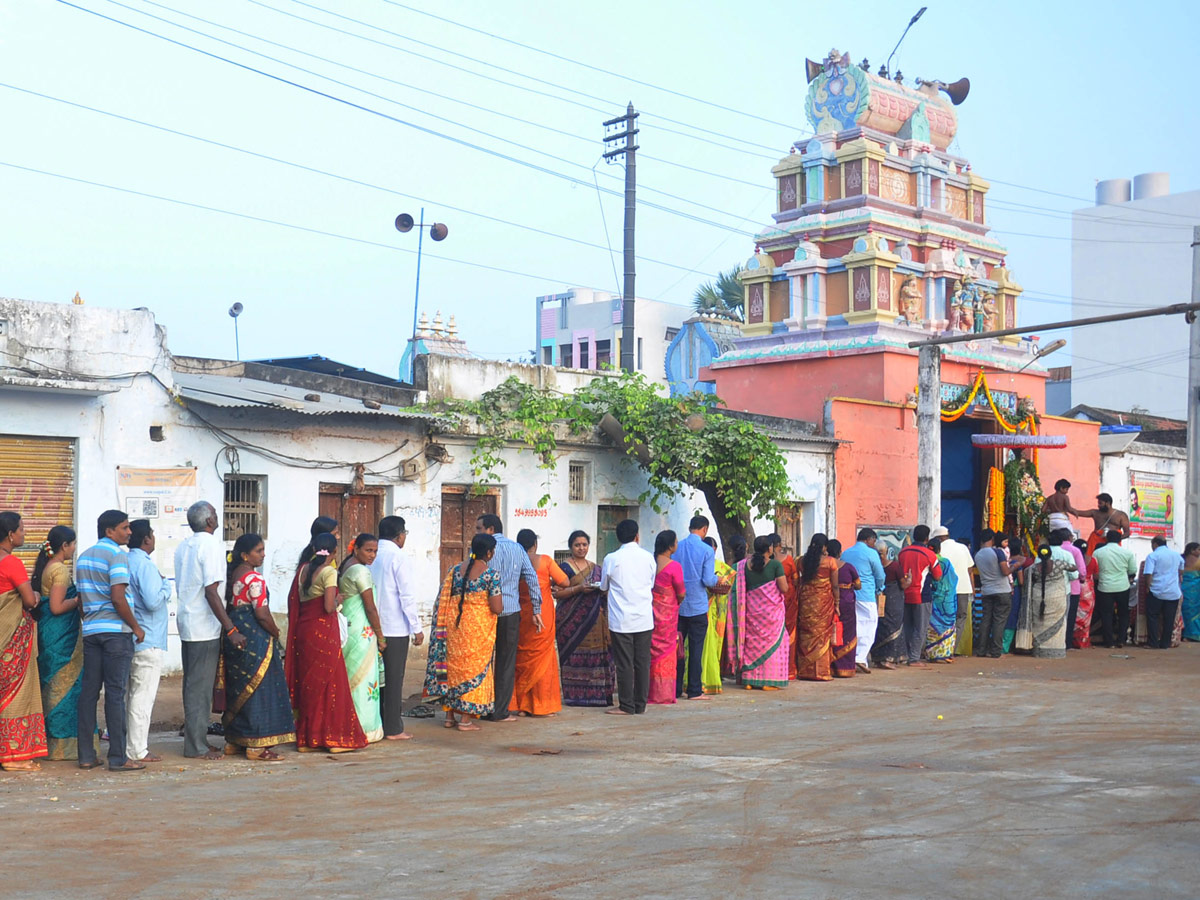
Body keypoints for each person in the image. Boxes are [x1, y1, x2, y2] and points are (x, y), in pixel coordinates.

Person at [175, 501, 245, 761]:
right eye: (215, 513)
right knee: (199, 688)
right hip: (203, 625)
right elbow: (211, 590)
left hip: (189, 621)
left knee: (195, 685)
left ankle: (199, 740)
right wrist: (231, 628)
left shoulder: (185, 545)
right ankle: (196, 746)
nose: (218, 517)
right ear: (209, 522)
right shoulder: (211, 545)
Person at [287, 532, 368, 752]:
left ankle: (307, 739)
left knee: (310, 683)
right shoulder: (329, 572)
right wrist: (339, 599)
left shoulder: (302, 570)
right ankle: (334, 738)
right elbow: (329, 607)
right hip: (323, 629)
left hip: (305, 630)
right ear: (332, 553)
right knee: (332, 683)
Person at [77, 509, 143, 772]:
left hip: (92, 631)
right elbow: (118, 597)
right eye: (125, 528)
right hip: (116, 632)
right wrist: (136, 627)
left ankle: (86, 755)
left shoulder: (83, 557)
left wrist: (91, 621)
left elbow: (82, 599)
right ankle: (118, 757)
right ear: (109, 531)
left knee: (89, 693)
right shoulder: (117, 555)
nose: (129, 532)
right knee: (116, 694)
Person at [222, 533, 294, 759]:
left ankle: (235, 740)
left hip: (237, 636)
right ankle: (256, 745)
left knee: (239, 687)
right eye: (259, 551)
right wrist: (276, 632)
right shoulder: (255, 579)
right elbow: (261, 613)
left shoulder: (233, 576)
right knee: (261, 689)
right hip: (256, 639)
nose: (263, 555)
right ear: (245, 555)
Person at [424, 534, 503, 730]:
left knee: (453, 671)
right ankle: (465, 720)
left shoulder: (454, 571)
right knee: (472, 670)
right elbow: (497, 608)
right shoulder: (491, 575)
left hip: (454, 627)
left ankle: (449, 717)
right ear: (489, 552)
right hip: (477, 630)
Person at [474, 514, 541, 723]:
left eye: (479, 528)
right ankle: (500, 710)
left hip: (485, 612)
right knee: (505, 661)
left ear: (490, 529)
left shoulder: (482, 549)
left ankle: (479, 706)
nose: (476, 533)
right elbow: (531, 577)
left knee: (482, 660)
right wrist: (537, 608)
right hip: (510, 611)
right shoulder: (517, 549)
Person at [31, 525, 84, 760]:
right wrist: (77, 600)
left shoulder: (48, 567)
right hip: (62, 636)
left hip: (51, 633)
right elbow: (56, 606)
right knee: (63, 686)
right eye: (73, 544)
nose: (74, 549)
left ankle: (51, 742)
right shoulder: (60, 571)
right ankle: (61, 745)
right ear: (65, 546)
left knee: (52, 684)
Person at [0, 511, 47, 772]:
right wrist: (37, 594)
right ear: (10, 534)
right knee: (13, 692)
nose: (24, 534)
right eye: (21, 529)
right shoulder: (11, 563)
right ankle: (12, 756)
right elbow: (28, 601)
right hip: (10, 640)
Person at [369, 516, 423, 741]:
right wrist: (417, 628)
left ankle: (377, 722)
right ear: (400, 535)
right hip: (394, 627)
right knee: (393, 678)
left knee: (375, 677)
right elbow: (406, 596)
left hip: (371, 626)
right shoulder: (398, 557)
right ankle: (393, 727)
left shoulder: (370, 553)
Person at [124, 519, 172, 764]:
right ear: (146, 539)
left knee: (131, 696)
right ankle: (137, 749)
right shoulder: (145, 565)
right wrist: (166, 587)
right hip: (149, 637)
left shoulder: (126, 561)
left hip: (132, 637)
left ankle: (129, 746)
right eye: (152, 533)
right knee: (142, 698)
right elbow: (153, 601)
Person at [599, 519, 656, 715]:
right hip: (643, 617)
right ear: (637, 536)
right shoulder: (648, 557)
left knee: (624, 663)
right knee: (642, 663)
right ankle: (640, 705)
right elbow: (651, 583)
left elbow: (603, 586)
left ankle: (626, 705)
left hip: (621, 619)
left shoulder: (611, 559)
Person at [554, 530, 615, 707]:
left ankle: (597, 695)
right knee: (572, 655)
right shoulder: (563, 568)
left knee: (595, 655)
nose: (581, 548)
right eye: (577, 545)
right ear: (571, 547)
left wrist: (601, 589)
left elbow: (605, 590)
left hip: (595, 620)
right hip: (569, 622)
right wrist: (579, 589)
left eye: (584, 545)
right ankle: (575, 696)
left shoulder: (596, 568)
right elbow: (557, 593)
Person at [512, 529, 569, 716]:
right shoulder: (545, 561)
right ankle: (541, 705)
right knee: (543, 658)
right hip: (541, 616)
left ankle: (522, 705)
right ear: (535, 544)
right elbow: (565, 582)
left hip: (521, 615)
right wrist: (548, 584)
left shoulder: (515, 563)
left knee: (523, 657)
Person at [726, 535, 790, 689]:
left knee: (753, 642)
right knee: (777, 643)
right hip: (771, 614)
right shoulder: (775, 565)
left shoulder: (742, 566)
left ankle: (749, 679)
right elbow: (784, 588)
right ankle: (767, 681)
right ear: (770, 548)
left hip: (751, 611)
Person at [338, 534, 385, 742]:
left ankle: (348, 722)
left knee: (350, 677)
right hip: (361, 630)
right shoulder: (360, 571)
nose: (372, 555)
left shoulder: (347, 565)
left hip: (348, 628)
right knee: (365, 679)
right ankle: (364, 728)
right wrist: (381, 636)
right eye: (368, 550)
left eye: (375, 551)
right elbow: (370, 607)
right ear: (355, 548)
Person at [671, 515, 720, 701]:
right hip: (698, 606)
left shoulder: (677, 547)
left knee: (677, 649)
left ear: (690, 527)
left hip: (679, 605)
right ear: (705, 530)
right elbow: (708, 580)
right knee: (696, 649)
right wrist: (718, 580)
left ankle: (675, 689)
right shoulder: (707, 550)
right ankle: (694, 690)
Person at [1023, 536, 1078, 659]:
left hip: (1038, 598)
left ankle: (1039, 650)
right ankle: (1056, 650)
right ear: (1050, 554)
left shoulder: (1034, 568)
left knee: (1038, 623)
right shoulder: (1058, 564)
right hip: (1057, 598)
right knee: (1059, 623)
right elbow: (1074, 568)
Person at [648, 530, 685, 704]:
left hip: (649, 612)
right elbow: (681, 592)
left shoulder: (650, 563)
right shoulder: (674, 566)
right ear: (671, 546)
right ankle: (663, 693)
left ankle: (647, 692)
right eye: (676, 542)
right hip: (668, 616)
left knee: (649, 650)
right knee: (667, 651)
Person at [842, 529, 886, 675]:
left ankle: (852, 657)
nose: (874, 544)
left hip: (848, 594)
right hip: (866, 594)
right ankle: (860, 657)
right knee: (869, 625)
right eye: (874, 541)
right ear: (869, 539)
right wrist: (880, 588)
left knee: (853, 626)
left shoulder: (846, 552)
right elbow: (880, 574)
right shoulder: (871, 553)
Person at [795, 534, 838, 682]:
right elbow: (835, 586)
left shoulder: (801, 561)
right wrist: (837, 604)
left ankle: (804, 670)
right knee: (821, 635)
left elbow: (796, 580)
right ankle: (821, 671)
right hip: (823, 602)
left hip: (805, 601)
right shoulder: (830, 562)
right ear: (825, 547)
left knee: (806, 633)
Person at [898, 525, 942, 668]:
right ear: (926, 538)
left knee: (907, 626)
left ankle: (906, 654)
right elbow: (937, 576)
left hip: (904, 593)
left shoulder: (903, 552)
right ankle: (914, 658)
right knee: (920, 627)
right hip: (921, 595)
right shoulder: (929, 554)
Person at [974, 533, 1022, 659]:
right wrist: (1015, 566)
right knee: (999, 621)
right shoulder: (997, 552)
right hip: (1002, 590)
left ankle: (981, 650)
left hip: (986, 591)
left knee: (985, 620)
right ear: (992, 539)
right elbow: (1005, 571)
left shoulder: (978, 554)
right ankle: (996, 651)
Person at [931, 526, 975, 657]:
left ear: (938, 538)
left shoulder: (939, 550)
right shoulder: (962, 547)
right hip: (963, 588)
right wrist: (972, 589)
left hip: (945, 591)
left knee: (944, 618)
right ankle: (953, 649)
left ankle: (943, 648)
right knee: (961, 618)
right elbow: (970, 569)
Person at [1092, 530, 1138, 649]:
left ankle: (1109, 642)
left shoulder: (1097, 552)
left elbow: (1095, 570)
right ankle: (1121, 640)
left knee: (1106, 614)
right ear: (1120, 540)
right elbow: (1132, 570)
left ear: (1106, 539)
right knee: (1123, 614)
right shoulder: (1127, 553)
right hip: (1122, 587)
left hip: (1104, 587)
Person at [700, 536, 733, 694]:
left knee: (715, 645)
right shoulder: (700, 564)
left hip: (717, 612)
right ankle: (703, 680)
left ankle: (712, 678)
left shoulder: (721, 566)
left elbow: (729, 581)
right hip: (704, 610)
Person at [1142, 536, 1184, 650]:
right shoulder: (1177, 555)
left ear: (1155, 544)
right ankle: (1165, 643)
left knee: (1152, 617)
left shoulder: (1153, 556)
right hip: (1173, 592)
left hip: (1157, 590)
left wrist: (1148, 587)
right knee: (1169, 618)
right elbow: (1181, 570)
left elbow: (1148, 574)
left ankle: (1153, 642)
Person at [872, 544, 909, 670]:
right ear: (887, 552)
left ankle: (878, 658)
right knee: (893, 627)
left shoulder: (873, 566)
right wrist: (909, 580)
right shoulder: (894, 566)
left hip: (877, 598)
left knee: (880, 626)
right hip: (894, 601)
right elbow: (903, 585)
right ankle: (888, 658)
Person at [923, 536, 959, 663]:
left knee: (932, 624)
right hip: (946, 599)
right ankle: (945, 653)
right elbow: (953, 579)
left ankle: (932, 653)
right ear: (939, 549)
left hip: (932, 597)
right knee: (948, 625)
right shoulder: (945, 562)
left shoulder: (927, 560)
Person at [773, 535, 800, 679]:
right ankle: (788, 669)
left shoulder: (764, 562)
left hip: (769, 600)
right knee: (789, 632)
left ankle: (773, 668)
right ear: (779, 545)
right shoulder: (788, 560)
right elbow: (796, 580)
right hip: (787, 599)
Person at [1059, 530, 1088, 650]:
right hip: (1073, 588)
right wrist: (1082, 579)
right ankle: (1067, 643)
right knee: (1070, 617)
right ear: (1070, 537)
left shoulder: (1053, 550)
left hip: (1057, 587)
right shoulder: (1075, 550)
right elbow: (1082, 571)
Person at [1073, 539, 1098, 649]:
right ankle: (1083, 641)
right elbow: (1097, 576)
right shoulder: (1092, 560)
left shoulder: (1073, 559)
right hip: (1088, 590)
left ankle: (1072, 640)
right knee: (1086, 618)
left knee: (1074, 615)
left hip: (1075, 587)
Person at [1181, 543, 1200, 642]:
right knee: (1188, 612)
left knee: (1188, 612)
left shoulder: (1181, 560)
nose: (1199, 552)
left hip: (1189, 590)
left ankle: (1188, 634)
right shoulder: (1197, 562)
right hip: (1191, 591)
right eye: (1198, 549)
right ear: (1192, 550)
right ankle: (1189, 634)